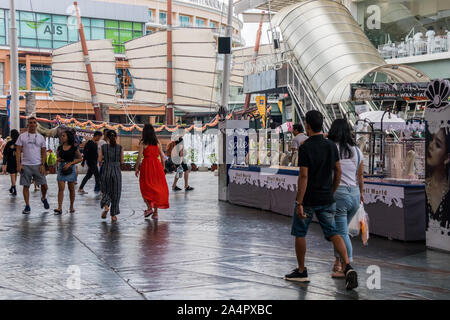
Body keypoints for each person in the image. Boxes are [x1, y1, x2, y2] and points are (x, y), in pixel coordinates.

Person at [284, 110, 358, 290]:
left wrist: (299, 202)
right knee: (334, 232)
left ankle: (301, 271)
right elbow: (338, 171)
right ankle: (347, 266)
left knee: (300, 233)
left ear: (307, 126)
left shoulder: (305, 147)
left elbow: (303, 176)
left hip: (308, 199)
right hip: (327, 198)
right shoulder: (331, 146)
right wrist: (331, 190)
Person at [327, 119, 364, 278]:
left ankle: (346, 267)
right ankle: (337, 261)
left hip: (339, 194)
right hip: (354, 194)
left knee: (341, 232)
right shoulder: (357, 150)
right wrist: (361, 193)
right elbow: (360, 175)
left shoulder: (331, 148)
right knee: (341, 231)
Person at [15, 117, 50, 214]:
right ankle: (27, 206)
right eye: (30, 122)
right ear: (27, 124)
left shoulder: (40, 137)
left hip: (38, 165)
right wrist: (19, 164)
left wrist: (43, 165)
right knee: (26, 186)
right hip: (25, 165)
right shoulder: (22, 136)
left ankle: (43, 198)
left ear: (36, 125)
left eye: (34, 122)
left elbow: (44, 152)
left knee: (45, 186)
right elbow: (18, 151)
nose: (32, 124)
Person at [135, 124, 169, 220]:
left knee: (145, 188)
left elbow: (139, 157)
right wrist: (163, 168)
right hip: (157, 166)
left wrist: (136, 168)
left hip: (147, 166)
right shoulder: (157, 142)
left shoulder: (143, 142)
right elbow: (162, 156)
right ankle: (156, 213)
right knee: (156, 189)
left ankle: (149, 208)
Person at [426, 128, 449, 235]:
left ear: (447, 157)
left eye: (438, 145)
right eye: (431, 139)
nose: (430, 145)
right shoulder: (425, 187)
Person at [54, 130, 83, 215]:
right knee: (60, 189)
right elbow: (58, 157)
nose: (62, 137)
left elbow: (80, 158)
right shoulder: (59, 147)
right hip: (61, 168)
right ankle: (59, 207)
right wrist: (58, 160)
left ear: (68, 137)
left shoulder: (74, 147)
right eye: (61, 136)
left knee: (71, 189)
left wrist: (70, 163)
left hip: (71, 168)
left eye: (63, 136)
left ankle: (71, 206)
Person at [99, 130, 123, 222]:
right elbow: (122, 161)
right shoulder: (120, 147)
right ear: (116, 137)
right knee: (116, 192)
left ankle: (106, 206)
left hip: (106, 170)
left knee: (106, 190)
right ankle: (113, 215)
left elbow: (99, 160)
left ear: (107, 137)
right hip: (116, 171)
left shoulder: (103, 147)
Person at [2, 129, 20, 196]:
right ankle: (13, 186)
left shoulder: (9, 143)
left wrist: (4, 162)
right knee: (15, 174)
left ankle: (14, 188)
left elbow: (5, 153)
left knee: (12, 174)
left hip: (11, 160)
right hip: (18, 160)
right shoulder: (19, 143)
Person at [94, 129, 108, 193]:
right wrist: (100, 161)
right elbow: (100, 152)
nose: (107, 135)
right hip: (101, 161)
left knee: (103, 176)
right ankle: (97, 189)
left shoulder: (108, 142)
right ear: (104, 134)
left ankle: (101, 189)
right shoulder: (102, 142)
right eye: (106, 133)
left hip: (106, 162)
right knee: (100, 176)